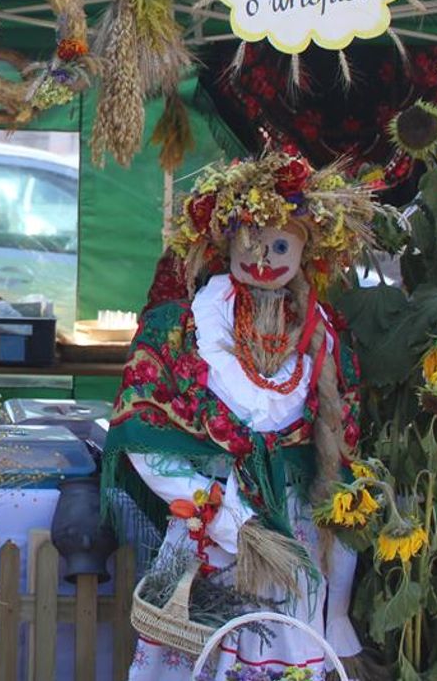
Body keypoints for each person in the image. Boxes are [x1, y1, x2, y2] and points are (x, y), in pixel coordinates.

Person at [102, 152, 377, 681]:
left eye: (280, 245)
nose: (264, 258)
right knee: (198, 655)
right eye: (251, 242)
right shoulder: (179, 328)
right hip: (209, 528)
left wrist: (338, 607)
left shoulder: (326, 338)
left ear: (306, 250)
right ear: (225, 242)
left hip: (293, 545)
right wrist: (223, 515)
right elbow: (143, 436)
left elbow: (341, 469)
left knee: (288, 656)